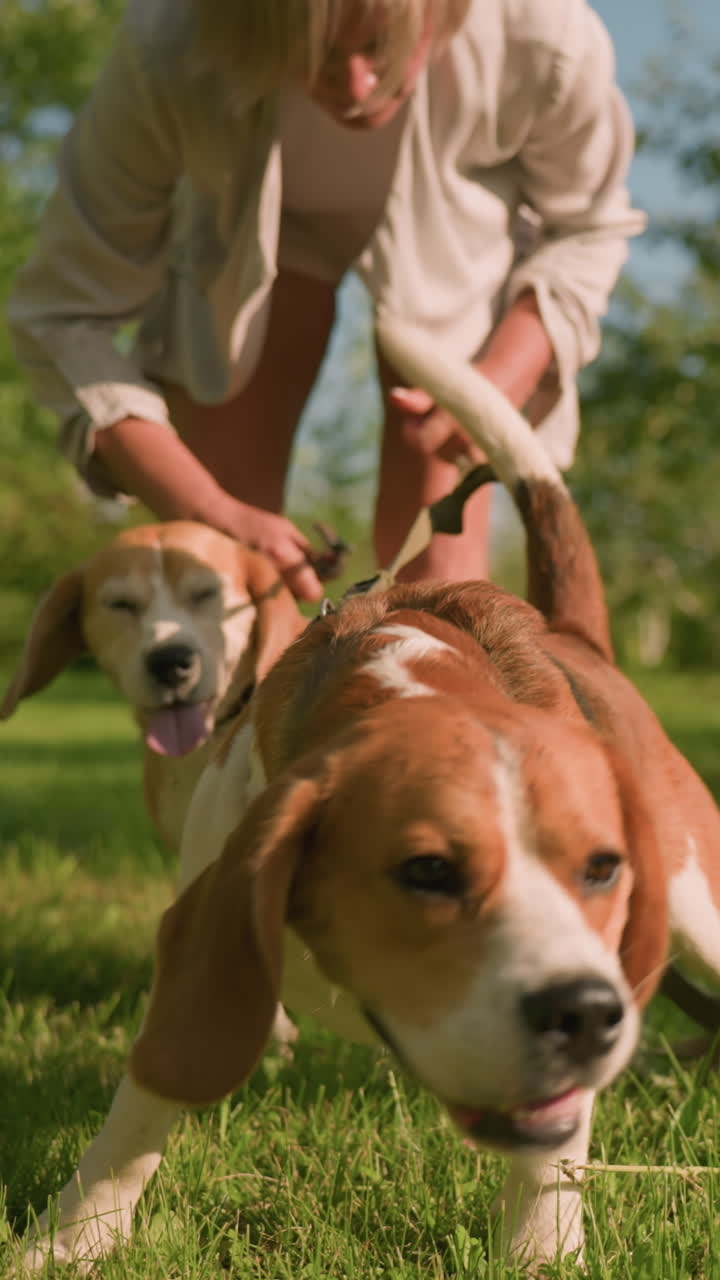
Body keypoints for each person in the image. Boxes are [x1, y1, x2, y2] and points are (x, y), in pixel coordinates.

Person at [8, 0, 645, 601]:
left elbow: (588, 227)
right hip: (246, 246)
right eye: (314, 56)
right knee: (226, 573)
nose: (358, 86)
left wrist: (496, 384)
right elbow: (66, 313)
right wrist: (205, 506)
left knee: (438, 583)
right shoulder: (173, 42)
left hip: (461, 245)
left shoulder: (539, 33)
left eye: (379, 46)